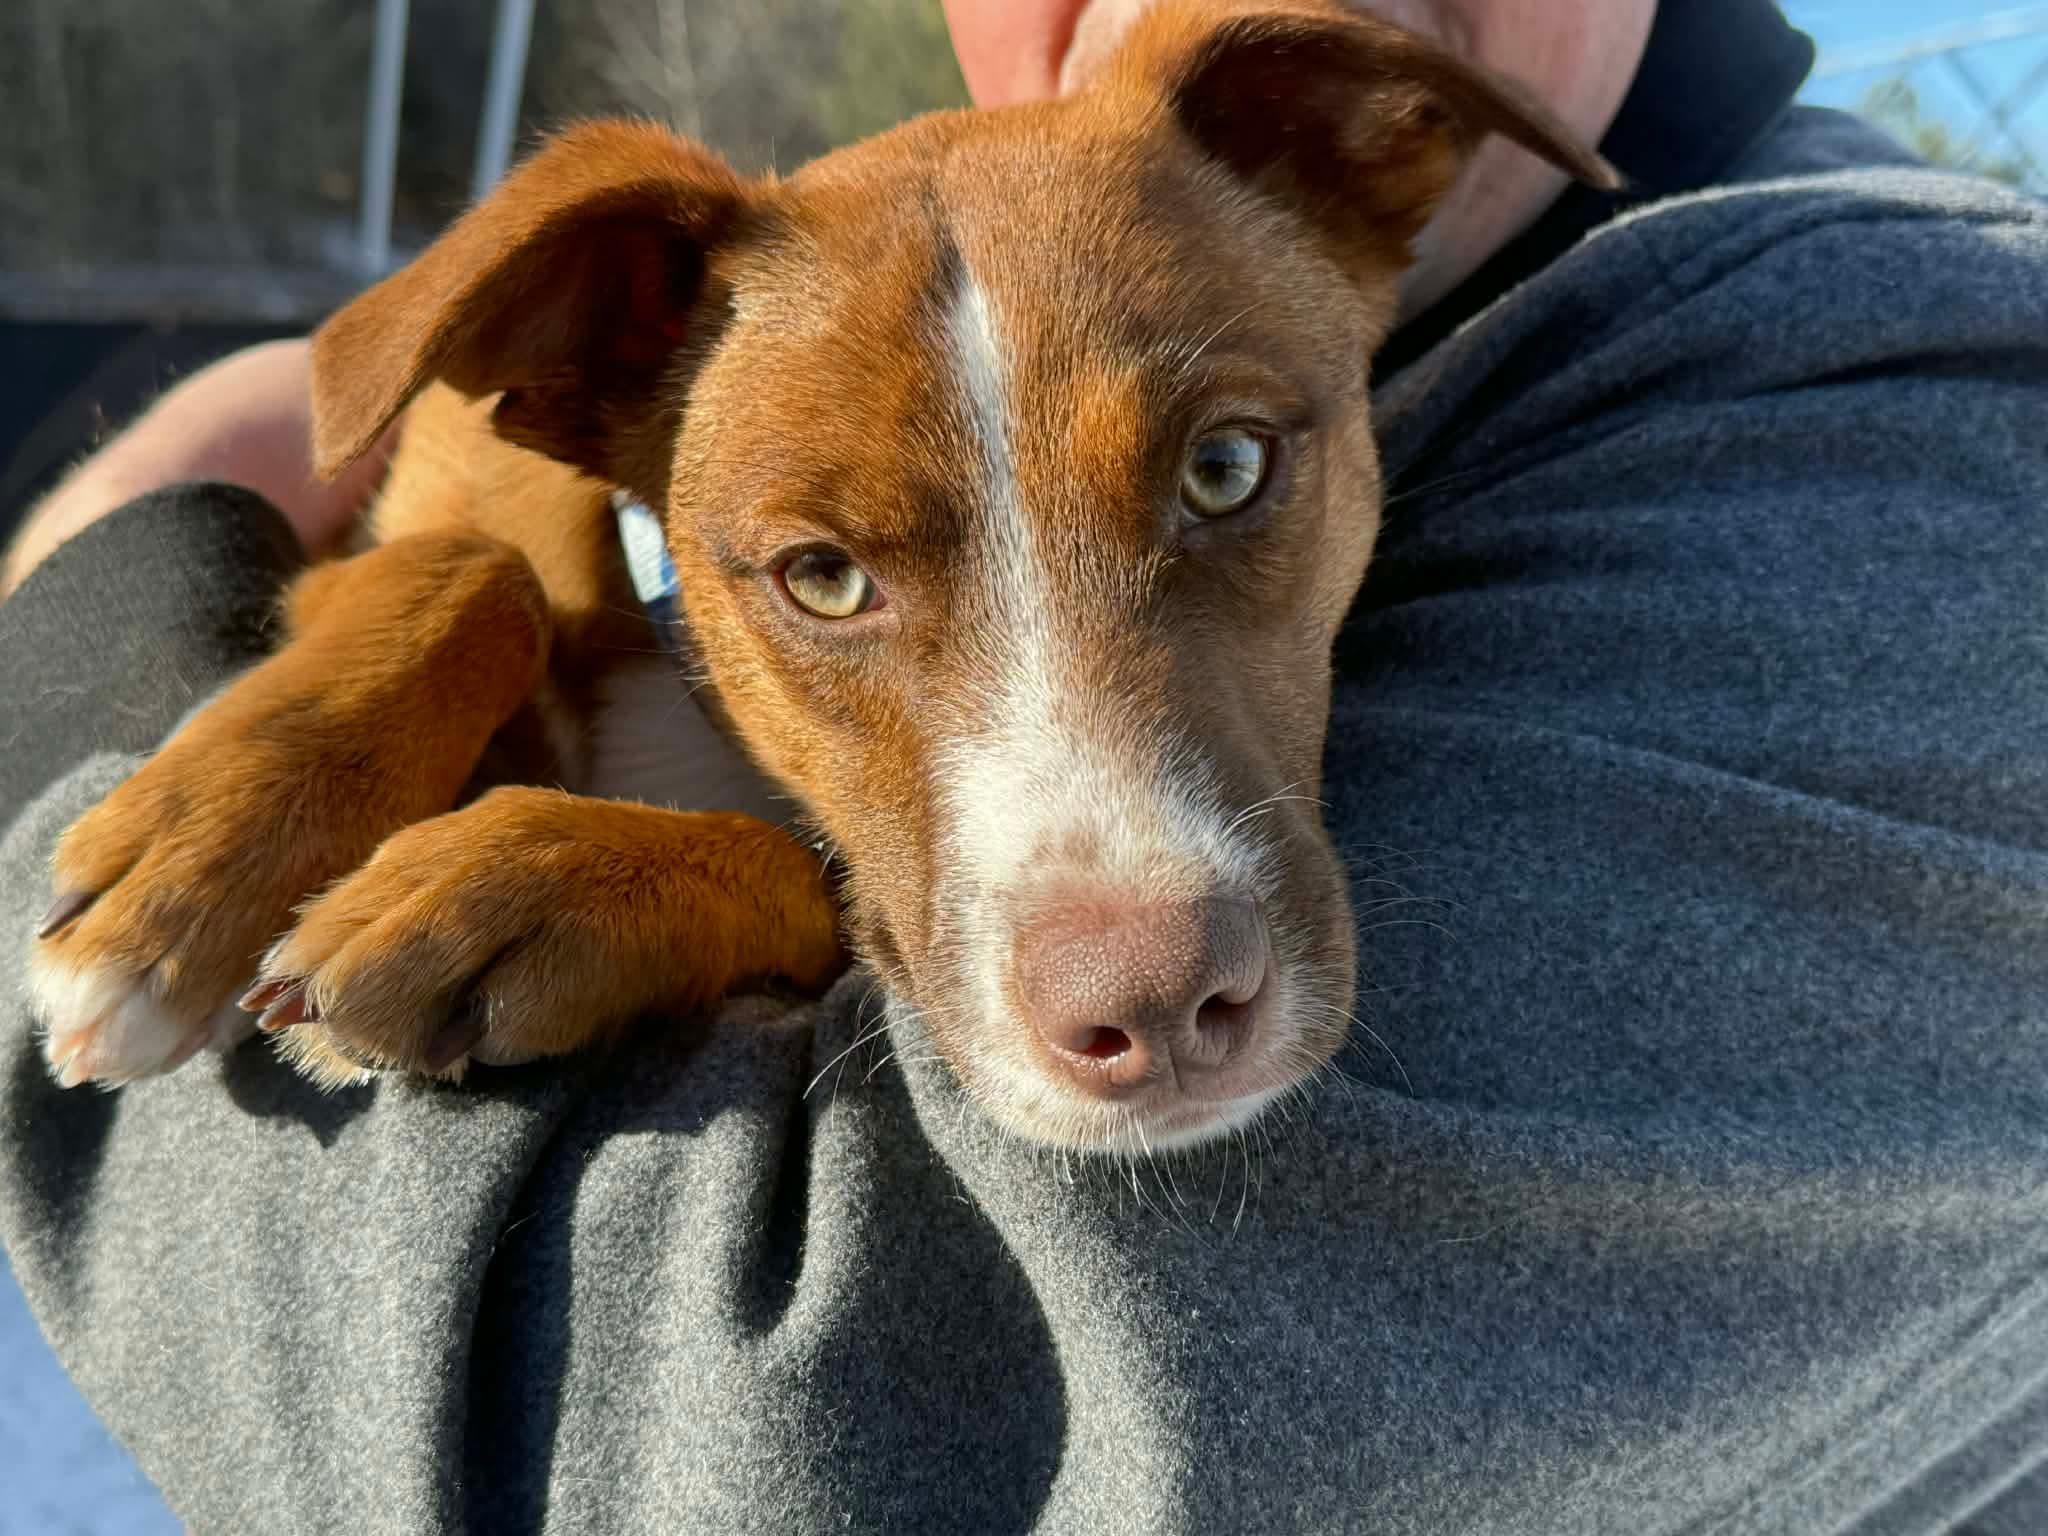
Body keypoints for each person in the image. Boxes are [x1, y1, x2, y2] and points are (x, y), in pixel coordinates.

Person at [4, 0, 2045, 1530]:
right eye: (829, 573)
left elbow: (743, 1426)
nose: (1137, 917)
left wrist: (97, 620)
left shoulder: (1921, 403)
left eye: (1222, 472)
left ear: (1380, 149)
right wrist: (379, 664)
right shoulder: (802, 327)